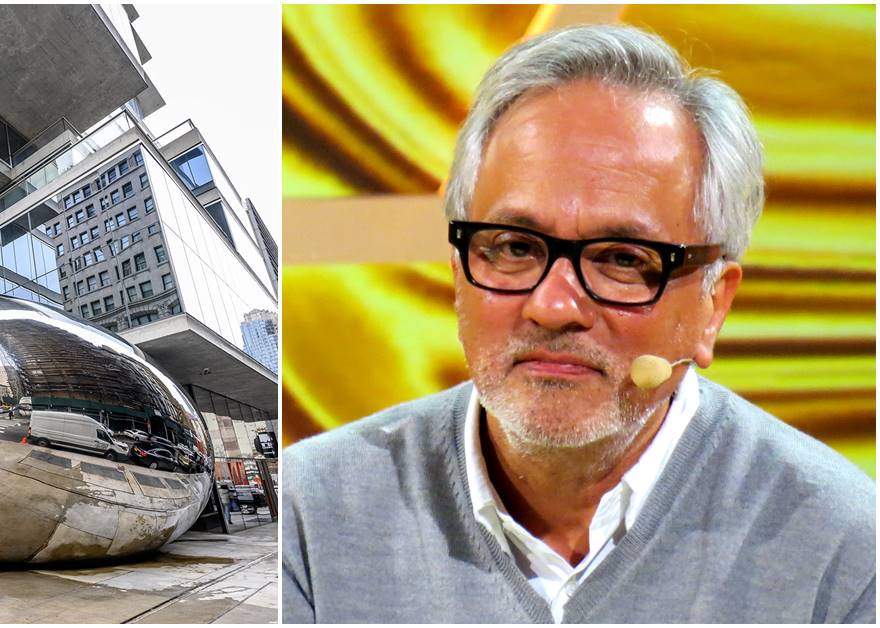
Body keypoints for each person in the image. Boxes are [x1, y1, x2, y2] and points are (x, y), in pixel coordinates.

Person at [281, 24, 875, 623]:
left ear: (712, 306)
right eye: (513, 247)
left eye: (623, 259)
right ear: (459, 269)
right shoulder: (311, 511)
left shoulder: (844, 547)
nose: (553, 306)